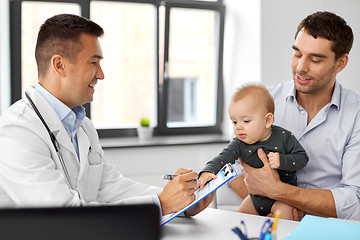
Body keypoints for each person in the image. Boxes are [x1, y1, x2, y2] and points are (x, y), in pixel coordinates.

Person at [0, 14, 213, 218]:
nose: (101, 74)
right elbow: (61, 215)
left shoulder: (83, 127)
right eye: (93, 63)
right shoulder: (16, 131)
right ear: (59, 65)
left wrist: (181, 203)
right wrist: (163, 204)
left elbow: (112, 187)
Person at [230, 11, 360, 221]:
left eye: (316, 59)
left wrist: (279, 192)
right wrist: (269, 208)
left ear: (340, 63)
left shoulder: (356, 114)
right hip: (266, 221)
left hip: (327, 230)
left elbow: (354, 199)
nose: (301, 67)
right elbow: (233, 167)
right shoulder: (266, 100)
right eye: (297, 54)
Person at [198, 84, 308, 219]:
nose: (238, 127)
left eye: (245, 121)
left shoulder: (284, 137)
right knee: (241, 219)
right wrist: (207, 171)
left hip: (282, 198)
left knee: (283, 221)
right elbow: (222, 157)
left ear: (267, 120)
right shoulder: (239, 143)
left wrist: (282, 160)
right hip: (255, 198)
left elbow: (303, 158)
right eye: (234, 122)